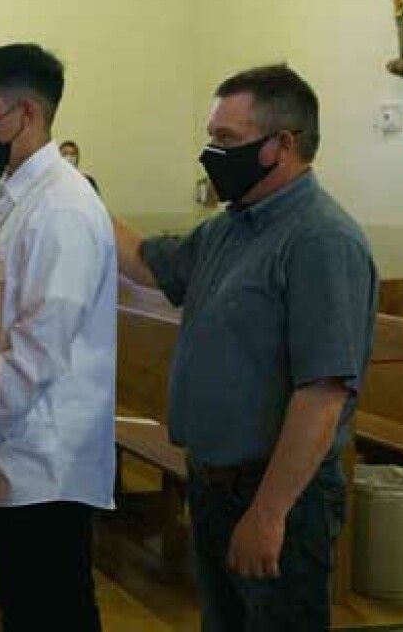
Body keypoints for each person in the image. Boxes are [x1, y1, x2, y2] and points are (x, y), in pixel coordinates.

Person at [112, 64, 378, 630]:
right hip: (213, 485)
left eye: (226, 140)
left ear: (282, 145)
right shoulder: (229, 227)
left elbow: (322, 395)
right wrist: (76, 201)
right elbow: (146, 265)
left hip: (280, 496)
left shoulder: (320, 239)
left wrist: (269, 514)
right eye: (211, 136)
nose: (211, 153)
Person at [0, 43, 117, 630]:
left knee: (54, 609)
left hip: (45, 460)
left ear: (28, 113)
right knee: (13, 598)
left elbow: (37, 349)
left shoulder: (64, 207)